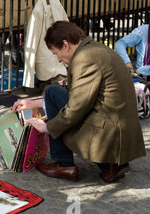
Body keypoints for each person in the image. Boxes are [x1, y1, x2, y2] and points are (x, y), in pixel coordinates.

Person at [13, 21, 146, 183]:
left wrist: (47, 127)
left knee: (52, 91)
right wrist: (34, 104)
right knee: (54, 93)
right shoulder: (96, 49)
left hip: (109, 132)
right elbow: (78, 94)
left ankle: (64, 164)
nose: (59, 59)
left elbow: (76, 108)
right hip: (119, 128)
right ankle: (109, 164)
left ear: (65, 44)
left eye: (56, 53)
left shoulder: (84, 58)